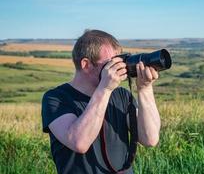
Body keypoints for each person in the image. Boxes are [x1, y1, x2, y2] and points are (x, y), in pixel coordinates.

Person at [41, 30, 161, 174]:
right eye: (111, 63)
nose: (118, 68)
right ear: (86, 64)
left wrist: (144, 88)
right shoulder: (56, 98)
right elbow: (79, 142)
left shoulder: (121, 95)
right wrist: (104, 89)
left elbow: (150, 139)